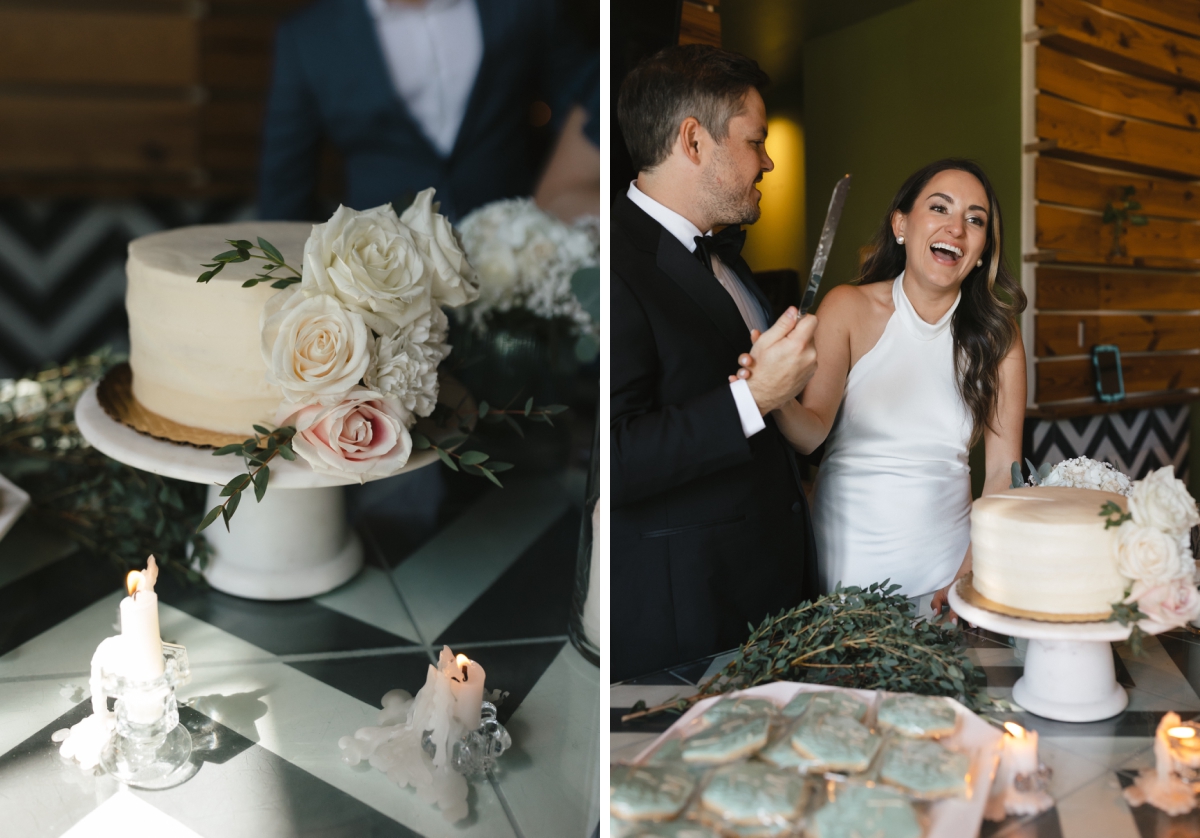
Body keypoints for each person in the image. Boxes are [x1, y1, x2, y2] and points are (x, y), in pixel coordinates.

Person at [611, 45, 820, 681]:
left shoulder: (725, 260)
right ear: (694, 141)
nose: (769, 159)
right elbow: (615, 456)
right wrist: (754, 399)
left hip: (767, 600)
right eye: (755, 141)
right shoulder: (610, 263)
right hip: (690, 622)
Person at [738, 159, 1026, 618]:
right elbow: (811, 433)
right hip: (846, 568)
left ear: (983, 247)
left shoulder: (999, 335)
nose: (956, 228)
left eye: (975, 220)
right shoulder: (847, 307)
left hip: (946, 572)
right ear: (901, 224)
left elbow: (1000, 475)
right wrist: (768, 393)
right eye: (939, 208)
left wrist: (973, 570)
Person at [258, 0, 592, 222]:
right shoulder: (308, 37)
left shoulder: (523, 7)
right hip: (380, 278)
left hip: (516, 260)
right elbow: (283, 188)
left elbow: (587, 107)